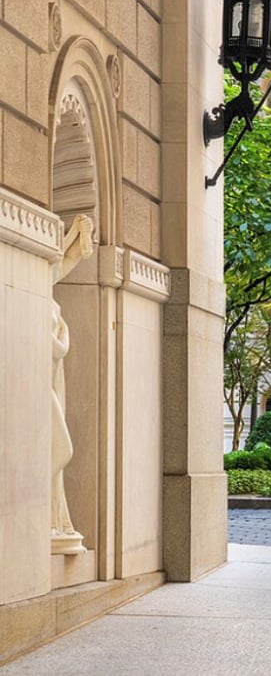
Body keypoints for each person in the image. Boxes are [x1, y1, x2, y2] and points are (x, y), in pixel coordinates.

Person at [50, 215, 93, 555]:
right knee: (60, 450)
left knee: (57, 449)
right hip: (40, 387)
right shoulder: (35, 295)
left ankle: (55, 521)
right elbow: (50, 345)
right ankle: (45, 517)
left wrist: (79, 237)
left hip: (50, 382)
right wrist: (63, 337)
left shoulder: (44, 291)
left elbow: (65, 263)